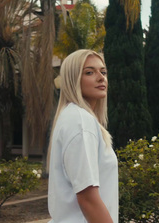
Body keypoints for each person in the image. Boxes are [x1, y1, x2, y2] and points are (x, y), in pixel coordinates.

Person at [47, 49, 118, 223]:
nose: (101, 77)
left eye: (103, 71)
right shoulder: (80, 121)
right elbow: (88, 199)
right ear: (73, 79)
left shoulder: (73, 117)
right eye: (89, 72)